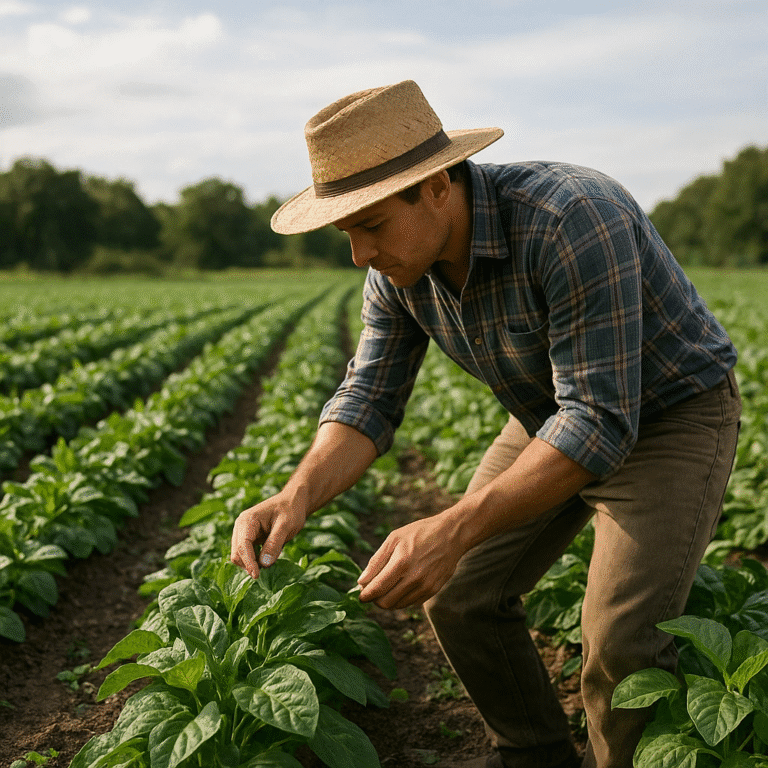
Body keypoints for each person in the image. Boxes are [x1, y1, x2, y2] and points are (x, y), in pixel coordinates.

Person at [230, 79, 741, 768]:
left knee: (620, 640)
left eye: (372, 226)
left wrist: (455, 525)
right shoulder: (396, 274)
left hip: (670, 415)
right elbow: (368, 398)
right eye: (347, 233)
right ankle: (534, 754)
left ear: (437, 185)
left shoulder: (572, 216)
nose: (359, 255)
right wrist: (295, 496)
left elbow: (599, 422)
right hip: (551, 412)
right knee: (461, 593)